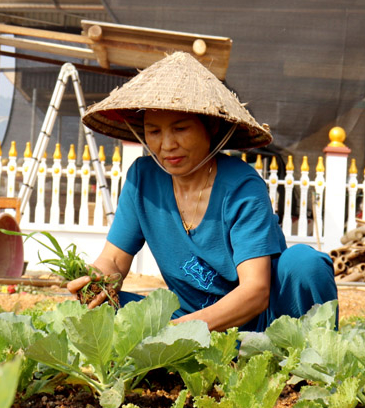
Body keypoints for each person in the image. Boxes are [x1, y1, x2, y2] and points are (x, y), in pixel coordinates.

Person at [71, 51, 337, 331]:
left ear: (210, 126)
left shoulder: (242, 187)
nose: (167, 145)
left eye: (180, 128)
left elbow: (256, 291)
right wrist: (98, 281)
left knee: (306, 263)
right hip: (188, 320)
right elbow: (113, 258)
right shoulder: (142, 179)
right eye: (154, 131)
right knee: (102, 306)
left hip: (262, 327)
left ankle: (311, 360)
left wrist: (183, 330)